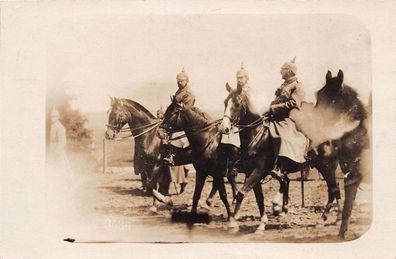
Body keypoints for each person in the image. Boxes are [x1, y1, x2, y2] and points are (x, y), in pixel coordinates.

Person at [268, 57, 309, 170]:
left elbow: (294, 103)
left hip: (289, 118)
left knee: (283, 137)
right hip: (276, 117)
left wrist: (274, 108)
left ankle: (280, 166)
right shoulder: (284, 85)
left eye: (283, 69)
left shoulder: (297, 86)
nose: (280, 71)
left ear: (289, 71)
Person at [219, 64, 252, 177]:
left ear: (247, 78)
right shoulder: (235, 91)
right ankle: (226, 164)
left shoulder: (249, 90)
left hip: (249, 120)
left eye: (241, 78)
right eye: (238, 78)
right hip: (236, 120)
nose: (239, 80)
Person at [162, 68, 195, 166]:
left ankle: (172, 155)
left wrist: (180, 107)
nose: (179, 83)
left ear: (187, 81)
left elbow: (188, 108)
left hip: (185, 117)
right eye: (178, 81)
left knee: (175, 134)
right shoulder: (178, 92)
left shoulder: (189, 93)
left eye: (182, 81)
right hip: (175, 116)